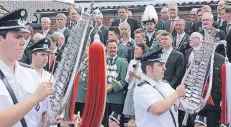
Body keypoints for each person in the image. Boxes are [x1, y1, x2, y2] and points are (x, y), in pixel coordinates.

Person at [0, 9, 54, 127]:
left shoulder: (30, 73)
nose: (23, 42)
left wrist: (59, 118)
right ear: (0, 39)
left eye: (24, 37)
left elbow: (44, 112)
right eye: (17, 37)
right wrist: (34, 98)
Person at [133, 48, 186, 127]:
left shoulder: (165, 85)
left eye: (164, 65)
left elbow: (178, 104)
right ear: (149, 68)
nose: (164, 68)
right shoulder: (142, 89)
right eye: (160, 65)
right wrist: (177, 94)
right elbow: (158, 109)